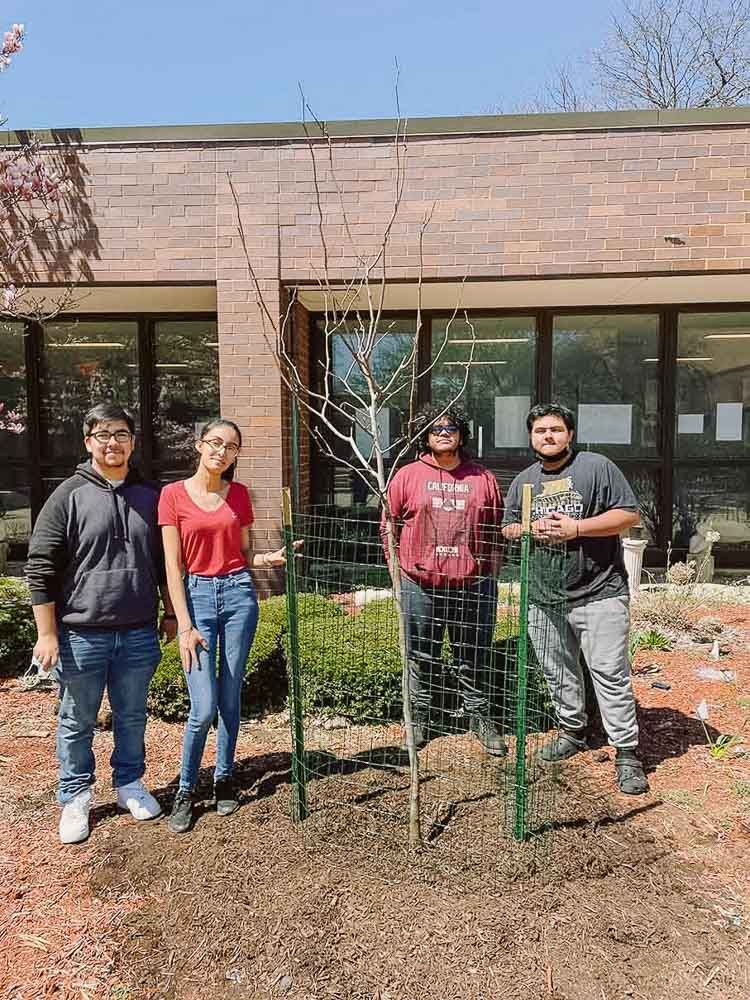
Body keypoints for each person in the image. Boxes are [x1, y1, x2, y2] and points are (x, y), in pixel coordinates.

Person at [26, 402, 173, 845]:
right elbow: (40, 567)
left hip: (138, 631)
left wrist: (170, 613)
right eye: (104, 435)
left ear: (133, 442)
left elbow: (166, 565)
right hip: (81, 635)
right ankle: (75, 797)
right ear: (88, 441)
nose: (113, 443)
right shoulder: (68, 495)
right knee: (77, 721)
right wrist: (47, 633)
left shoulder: (150, 496)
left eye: (121, 434)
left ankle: (129, 783)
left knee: (132, 716)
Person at [502, 403, 648, 795]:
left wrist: (577, 528)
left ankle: (627, 753)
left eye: (555, 429)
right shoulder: (524, 480)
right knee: (558, 672)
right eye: (540, 431)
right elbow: (508, 527)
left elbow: (628, 515)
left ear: (569, 434)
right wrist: (529, 529)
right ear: (531, 437)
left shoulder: (596, 467)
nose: (548, 436)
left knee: (609, 673)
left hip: (599, 592)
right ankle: (573, 731)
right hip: (543, 597)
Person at [159, 417, 297, 834]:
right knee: (202, 708)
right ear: (200, 445)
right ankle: (186, 789)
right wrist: (184, 625)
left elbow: (243, 554)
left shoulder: (238, 495)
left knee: (231, 698)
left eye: (231, 446)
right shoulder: (172, 495)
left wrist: (268, 559)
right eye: (215, 443)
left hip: (238, 595)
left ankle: (224, 777)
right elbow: (173, 567)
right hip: (197, 598)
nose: (222, 451)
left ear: (236, 454)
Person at [383, 404, 506, 756]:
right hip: (419, 584)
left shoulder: (482, 478)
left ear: (462, 435)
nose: (443, 433)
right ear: (425, 436)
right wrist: (396, 574)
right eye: (435, 429)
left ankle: (479, 716)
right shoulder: (407, 476)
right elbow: (389, 526)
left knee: (474, 656)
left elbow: (496, 529)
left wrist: (491, 572)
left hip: (473, 584)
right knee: (420, 656)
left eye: (450, 428)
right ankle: (419, 718)